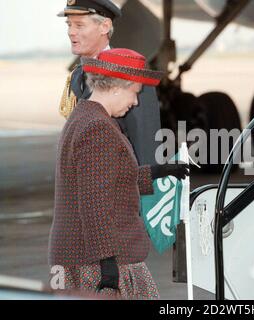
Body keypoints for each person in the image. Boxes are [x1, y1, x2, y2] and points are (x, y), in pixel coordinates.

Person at [48, 48, 189, 299]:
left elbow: (107, 180)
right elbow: (94, 202)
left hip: (85, 255)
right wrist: (108, 268)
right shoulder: (97, 128)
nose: (135, 102)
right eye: (134, 93)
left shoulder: (85, 116)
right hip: (100, 261)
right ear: (116, 87)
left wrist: (158, 172)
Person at [58, 0, 161, 166]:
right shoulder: (77, 76)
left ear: (104, 27)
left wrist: (148, 185)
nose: (71, 32)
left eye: (79, 25)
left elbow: (146, 146)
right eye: (69, 25)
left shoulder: (131, 76)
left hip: (119, 186)